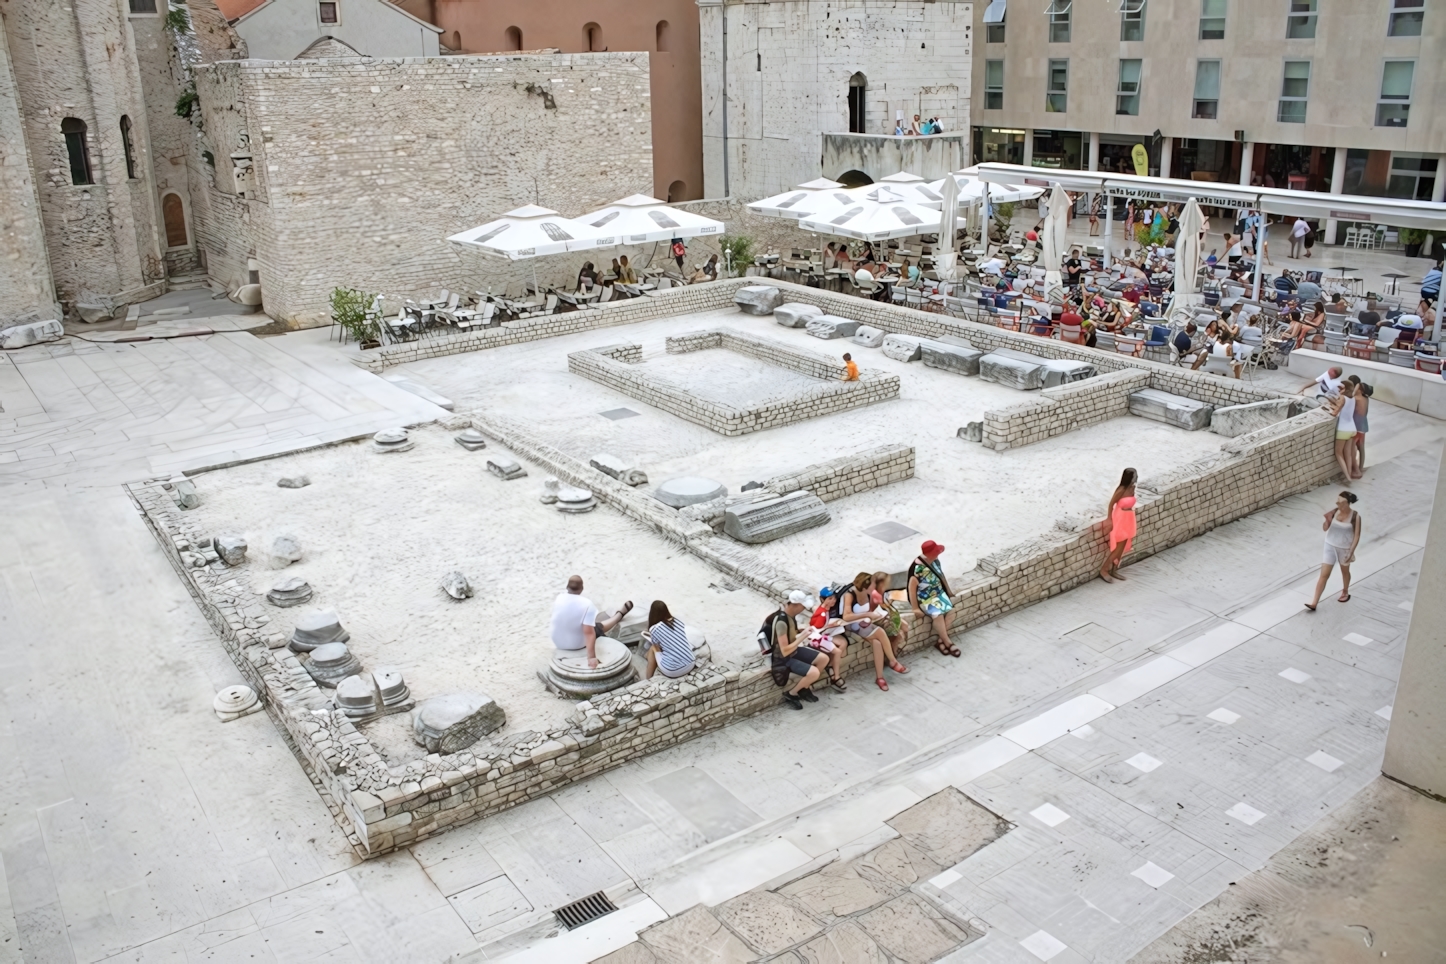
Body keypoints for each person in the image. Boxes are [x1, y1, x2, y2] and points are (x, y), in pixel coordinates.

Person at [840, 572, 907, 691]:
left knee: (877, 643)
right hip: (852, 625)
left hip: (865, 624)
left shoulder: (869, 593)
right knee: (880, 632)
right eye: (872, 585)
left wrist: (873, 616)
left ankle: (880, 677)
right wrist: (867, 614)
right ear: (865, 586)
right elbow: (846, 616)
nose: (873, 587)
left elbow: (873, 607)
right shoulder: (849, 595)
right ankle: (893, 661)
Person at [550, 576, 633, 669]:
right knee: (597, 627)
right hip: (575, 644)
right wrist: (592, 658)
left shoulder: (559, 598)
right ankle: (619, 615)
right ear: (582, 588)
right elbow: (589, 633)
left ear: (567, 587)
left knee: (584, 622)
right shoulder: (587, 604)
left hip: (557, 642)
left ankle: (615, 615)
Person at [771, 591, 829, 709]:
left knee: (824, 658)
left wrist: (800, 631)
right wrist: (803, 636)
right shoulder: (781, 622)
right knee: (814, 672)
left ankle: (804, 688)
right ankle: (791, 694)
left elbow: (790, 636)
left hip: (794, 650)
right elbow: (784, 650)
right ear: (796, 605)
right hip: (783, 658)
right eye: (803, 607)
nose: (803, 609)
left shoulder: (790, 617)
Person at [1305, 492, 1361, 610]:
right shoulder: (1334, 512)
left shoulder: (1355, 516)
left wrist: (1351, 552)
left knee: (1345, 572)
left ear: (1347, 502)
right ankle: (1314, 603)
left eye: (1340, 501)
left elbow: (1356, 536)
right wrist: (1327, 521)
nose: (1338, 503)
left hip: (1344, 549)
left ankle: (1345, 591)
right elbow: (1325, 528)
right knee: (1324, 575)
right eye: (1337, 501)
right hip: (1329, 546)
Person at [908, 540, 959, 657]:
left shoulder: (935, 561)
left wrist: (949, 591)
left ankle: (941, 641)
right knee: (937, 614)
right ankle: (948, 642)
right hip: (926, 598)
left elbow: (941, 575)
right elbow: (912, 588)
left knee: (952, 612)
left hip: (939, 594)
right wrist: (915, 608)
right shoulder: (918, 568)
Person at [1100, 468, 1137, 583]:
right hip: (1120, 517)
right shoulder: (1121, 489)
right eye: (1134, 476)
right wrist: (1109, 518)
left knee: (1123, 546)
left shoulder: (1132, 488)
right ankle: (1104, 569)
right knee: (1117, 547)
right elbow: (1111, 504)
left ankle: (1114, 570)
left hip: (1129, 518)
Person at [642, 600, 694, 679]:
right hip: (691, 663)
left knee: (653, 648)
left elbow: (657, 646)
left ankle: (648, 678)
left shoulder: (654, 628)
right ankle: (646, 656)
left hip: (673, 670)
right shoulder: (677, 621)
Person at [1329, 381, 1359, 481]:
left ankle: (1347, 476)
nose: (1339, 390)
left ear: (1345, 388)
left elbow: (1335, 413)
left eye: (1340, 388)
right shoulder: (1353, 398)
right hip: (1352, 428)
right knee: (1348, 454)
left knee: (1338, 453)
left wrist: (1331, 408)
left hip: (1343, 429)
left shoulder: (1342, 398)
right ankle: (1349, 473)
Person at [1348, 375, 1371, 475]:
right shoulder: (1366, 398)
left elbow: (1350, 397)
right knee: (1361, 447)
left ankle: (1355, 469)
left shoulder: (1356, 398)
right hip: (1364, 425)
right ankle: (1360, 467)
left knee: (1352, 447)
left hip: (1356, 426)